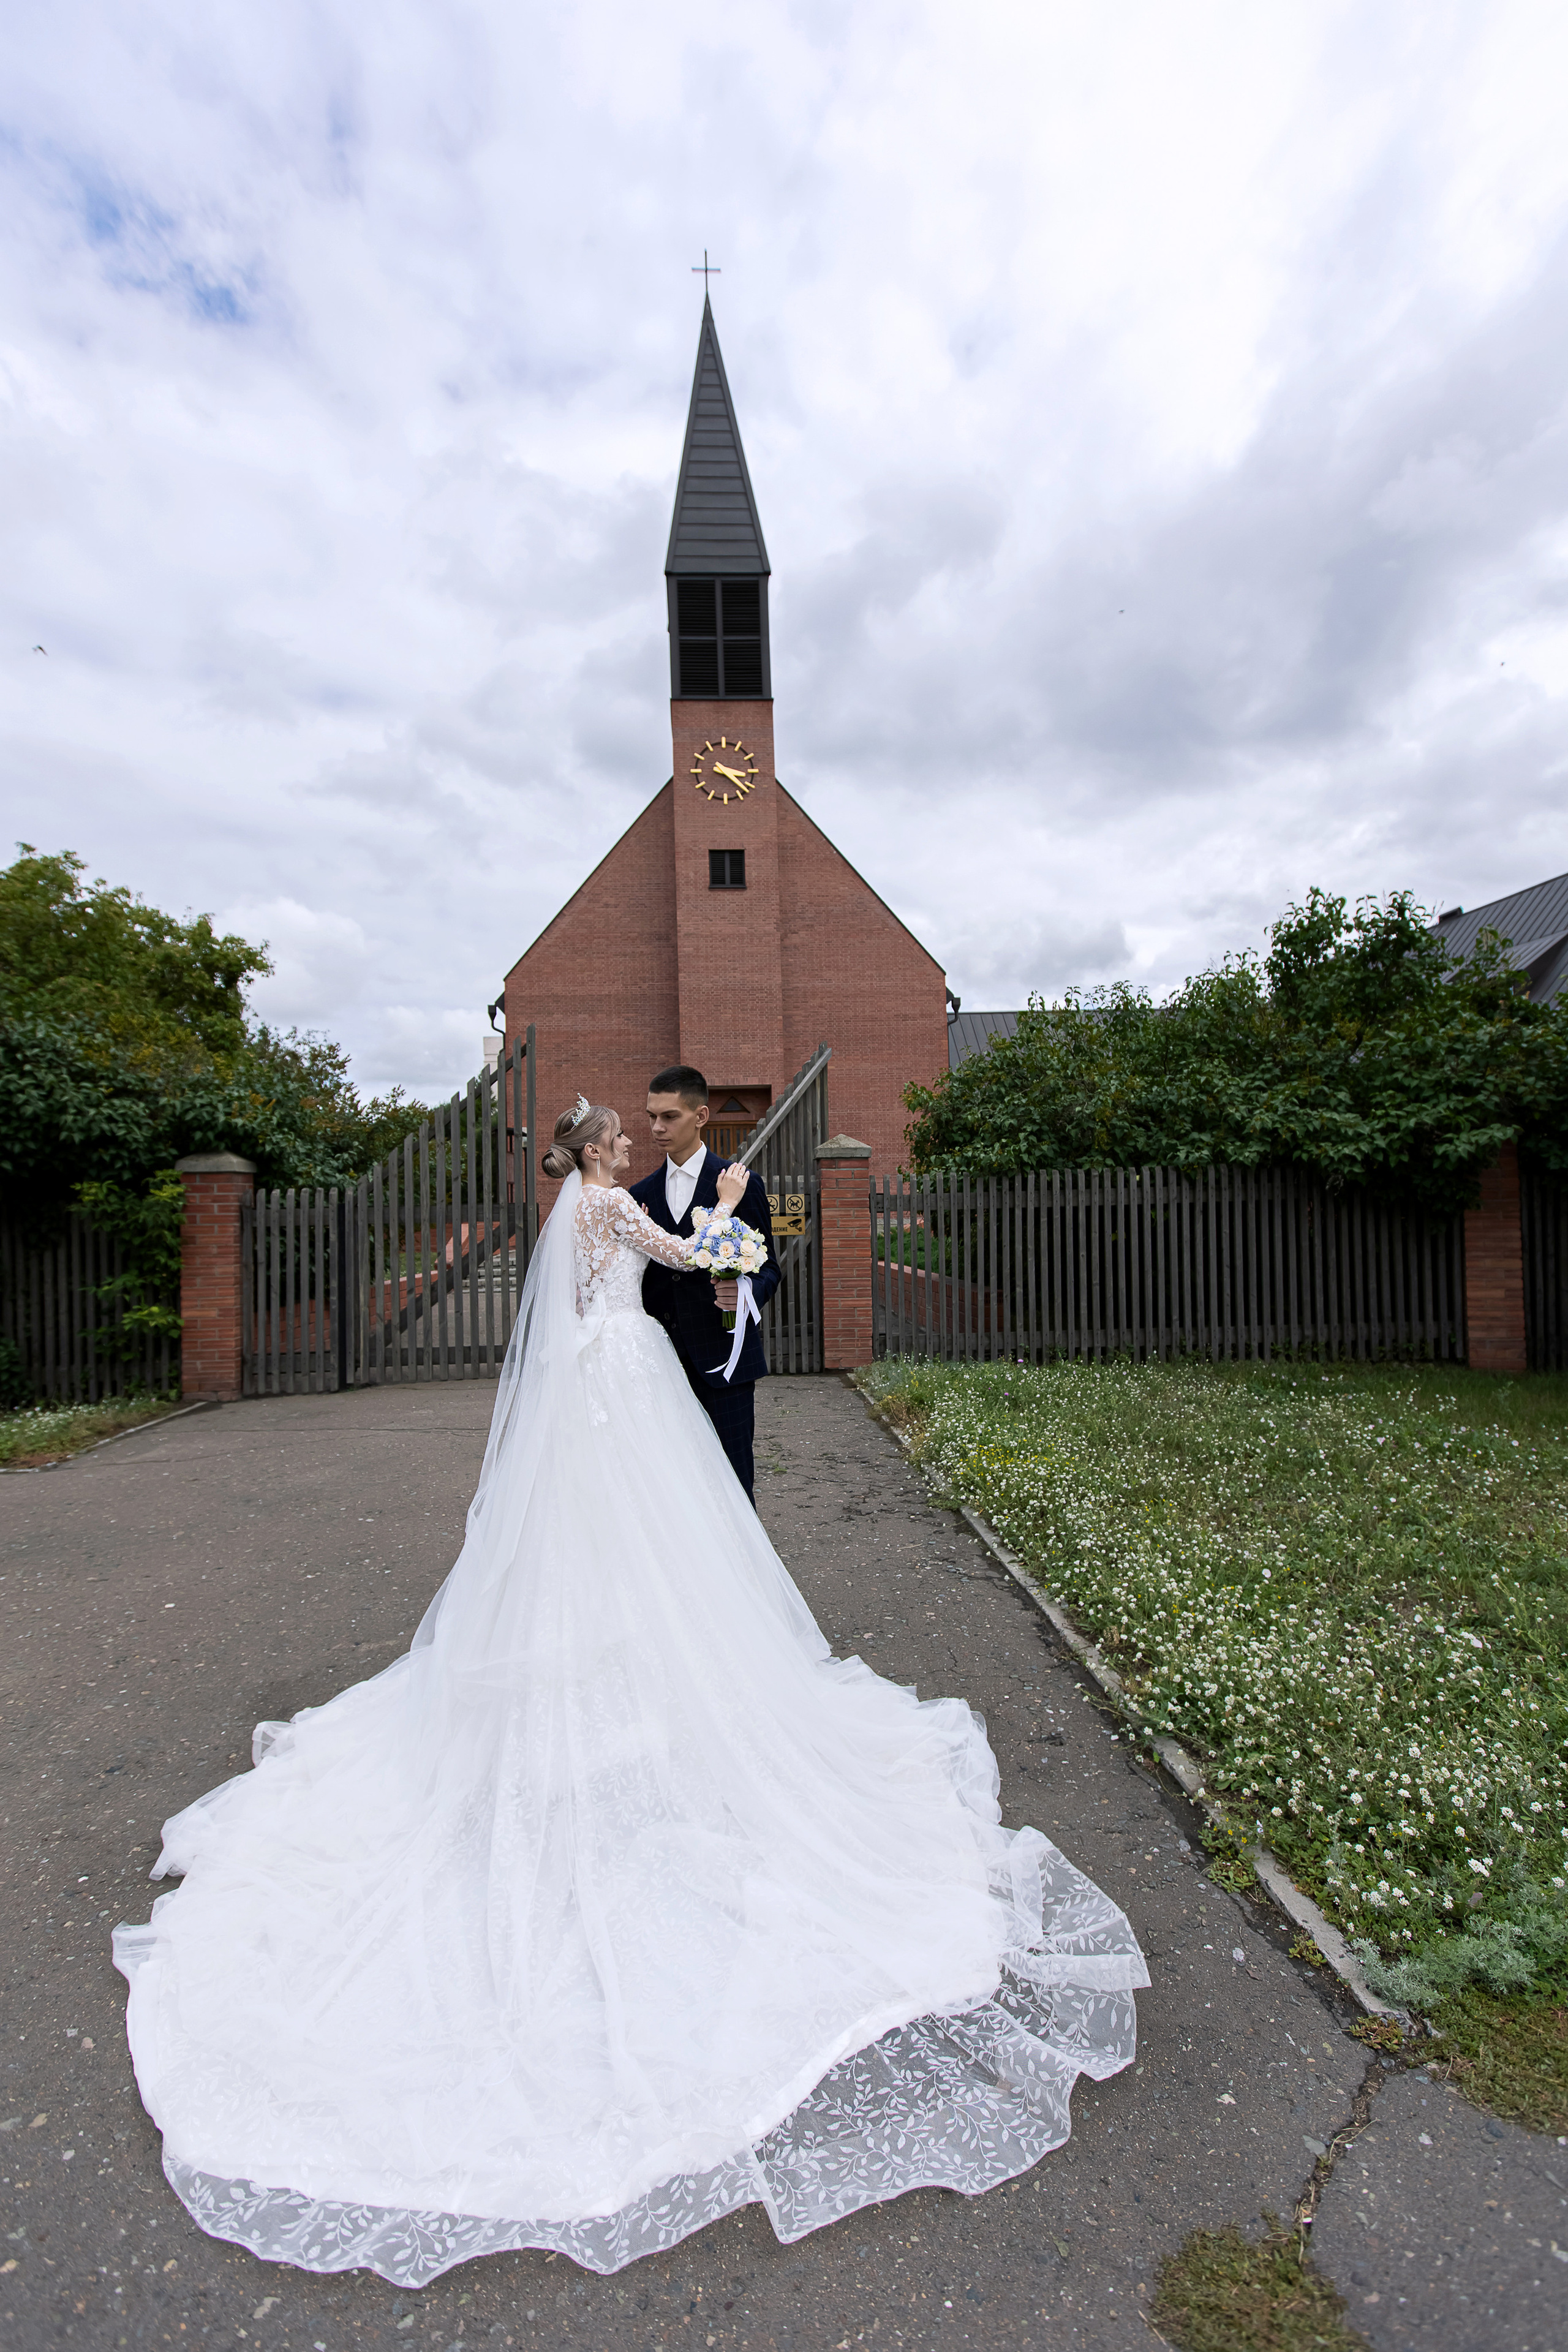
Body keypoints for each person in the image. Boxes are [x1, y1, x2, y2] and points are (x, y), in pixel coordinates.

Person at [113, 1097, 1148, 2293]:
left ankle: (592, 1686)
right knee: (662, 1552)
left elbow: (569, 1314)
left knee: (582, 1555)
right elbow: (696, 1258)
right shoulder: (607, 1203)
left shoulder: (564, 1211)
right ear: (602, 1153)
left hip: (585, 1402)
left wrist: (714, 1231)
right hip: (627, 1396)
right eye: (619, 1141)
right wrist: (727, 1228)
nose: (625, 1153)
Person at [629, 1063, 781, 1502]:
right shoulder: (639, 1196)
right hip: (660, 1365)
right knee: (670, 1489)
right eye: (651, 1116)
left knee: (733, 1486)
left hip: (724, 1364)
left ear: (700, 1116)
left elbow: (770, 1268)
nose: (657, 1127)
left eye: (669, 1116)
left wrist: (745, 1291)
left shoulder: (739, 1186)